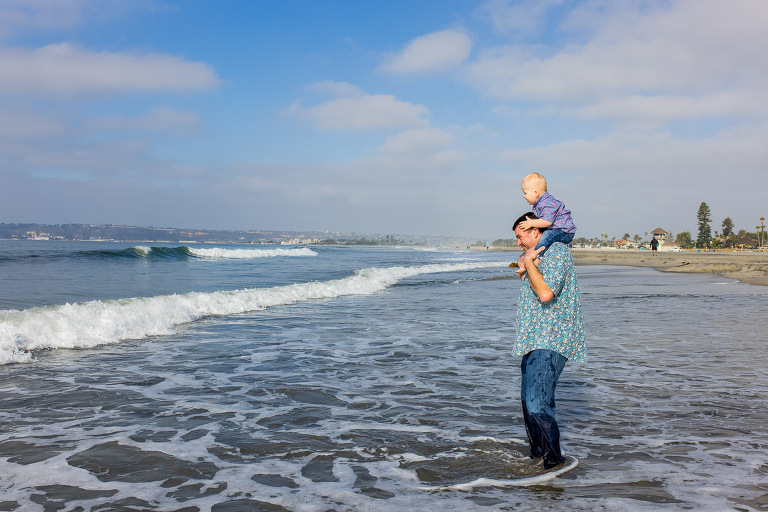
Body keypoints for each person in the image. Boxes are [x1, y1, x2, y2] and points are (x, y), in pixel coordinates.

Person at [513, 212, 586, 470]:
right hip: (533, 340)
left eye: (521, 236)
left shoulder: (557, 252)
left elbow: (545, 294)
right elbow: (533, 291)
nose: (519, 243)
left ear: (535, 231)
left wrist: (530, 263)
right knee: (527, 403)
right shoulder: (539, 256)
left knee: (537, 404)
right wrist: (526, 268)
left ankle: (554, 460)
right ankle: (537, 458)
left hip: (550, 338)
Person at [518, 172, 576, 254]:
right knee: (544, 236)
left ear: (536, 193)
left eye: (525, 193)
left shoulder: (547, 203)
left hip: (565, 231)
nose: (524, 196)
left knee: (546, 236)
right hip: (558, 230)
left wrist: (531, 223)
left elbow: (547, 222)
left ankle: (538, 257)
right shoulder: (541, 203)